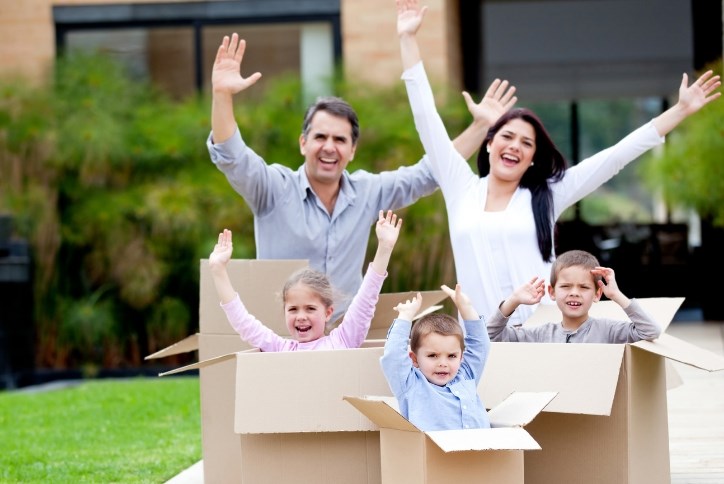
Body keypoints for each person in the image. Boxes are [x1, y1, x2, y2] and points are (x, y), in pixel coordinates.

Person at [396, 0, 721, 327]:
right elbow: (426, 118)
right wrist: (408, 39)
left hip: (542, 335)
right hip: (478, 336)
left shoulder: (547, 194)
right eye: (507, 137)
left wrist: (678, 111)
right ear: (490, 142)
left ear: (533, 158)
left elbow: (615, 157)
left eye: (526, 143)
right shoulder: (460, 188)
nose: (514, 147)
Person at [207, 32, 496, 325]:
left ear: (353, 149)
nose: (329, 147)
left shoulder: (367, 192)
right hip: (284, 338)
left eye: (340, 139)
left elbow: (431, 172)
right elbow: (233, 156)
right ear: (303, 143)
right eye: (320, 137)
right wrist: (221, 95)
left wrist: (482, 126)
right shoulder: (272, 188)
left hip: (345, 339)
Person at [208, 210, 402, 351]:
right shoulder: (282, 350)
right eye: (293, 309)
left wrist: (384, 248)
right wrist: (218, 271)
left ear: (328, 313)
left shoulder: (344, 340)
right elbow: (244, 323)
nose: (301, 316)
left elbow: (366, 299)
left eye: (310, 308)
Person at [380, 284, 491, 431]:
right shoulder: (411, 385)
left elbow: (480, 346)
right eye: (433, 355)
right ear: (414, 359)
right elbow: (393, 356)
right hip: (435, 453)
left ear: (461, 357)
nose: (443, 363)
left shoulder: (466, 376)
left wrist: (467, 309)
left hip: (481, 452)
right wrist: (405, 317)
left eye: (451, 356)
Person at [488, 249, 661, 343]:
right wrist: (513, 301)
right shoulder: (540, 335)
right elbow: (491, 336)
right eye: (565, 286)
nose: (574, 293)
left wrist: (616, 295)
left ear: (597, 293)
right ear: (552, 292)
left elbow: (651, 331)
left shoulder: (609, 331)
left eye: (584, 287)